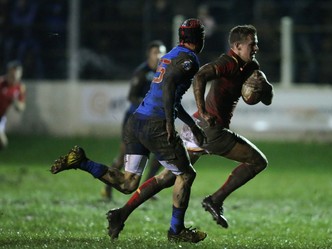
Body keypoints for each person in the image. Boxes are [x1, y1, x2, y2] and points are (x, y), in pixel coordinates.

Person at [102, 24, 273, 235]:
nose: (256, 47)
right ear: (237, 46)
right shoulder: (227, 62)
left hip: (196, 129)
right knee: (257, 161)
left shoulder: (250, 66)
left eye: (256, 43)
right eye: (252, 44)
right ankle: (215, 200)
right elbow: (200, 76)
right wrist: (204, 111)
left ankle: (121, 213)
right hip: (212, 131)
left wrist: (265, 87)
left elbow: (266, 99)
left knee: (168, 178)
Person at [50, 18, 207, 243]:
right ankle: (176, 231)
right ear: (199, 39)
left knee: (128, 183)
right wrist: (171, 124)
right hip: (156, 124)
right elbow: (170, 86)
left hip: (136, 122)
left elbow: (170, 95)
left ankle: (82, 162)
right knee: (186, 174)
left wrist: (191, 125)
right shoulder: (189, 59)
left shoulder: (171, 54)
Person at [101, 40, 167, 201]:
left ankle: (147, 189)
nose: (158, 55)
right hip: (135, 119)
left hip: (155, 120)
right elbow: (131, 96)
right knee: (124, 157)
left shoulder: (165, 72)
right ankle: (107, 186)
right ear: (149, 55)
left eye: (161, 52)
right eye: (155, 52)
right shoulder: (142, 72)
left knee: (161, 154)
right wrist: (146, 106)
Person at [0, 60, 25, 150]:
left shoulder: (19, 88)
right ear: (8, 72)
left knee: (3, 143)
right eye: (12, 73)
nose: (14, 76)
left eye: (17, 74)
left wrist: (16, 104)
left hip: (1, 117)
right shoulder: (1, 83)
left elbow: (21, 107)